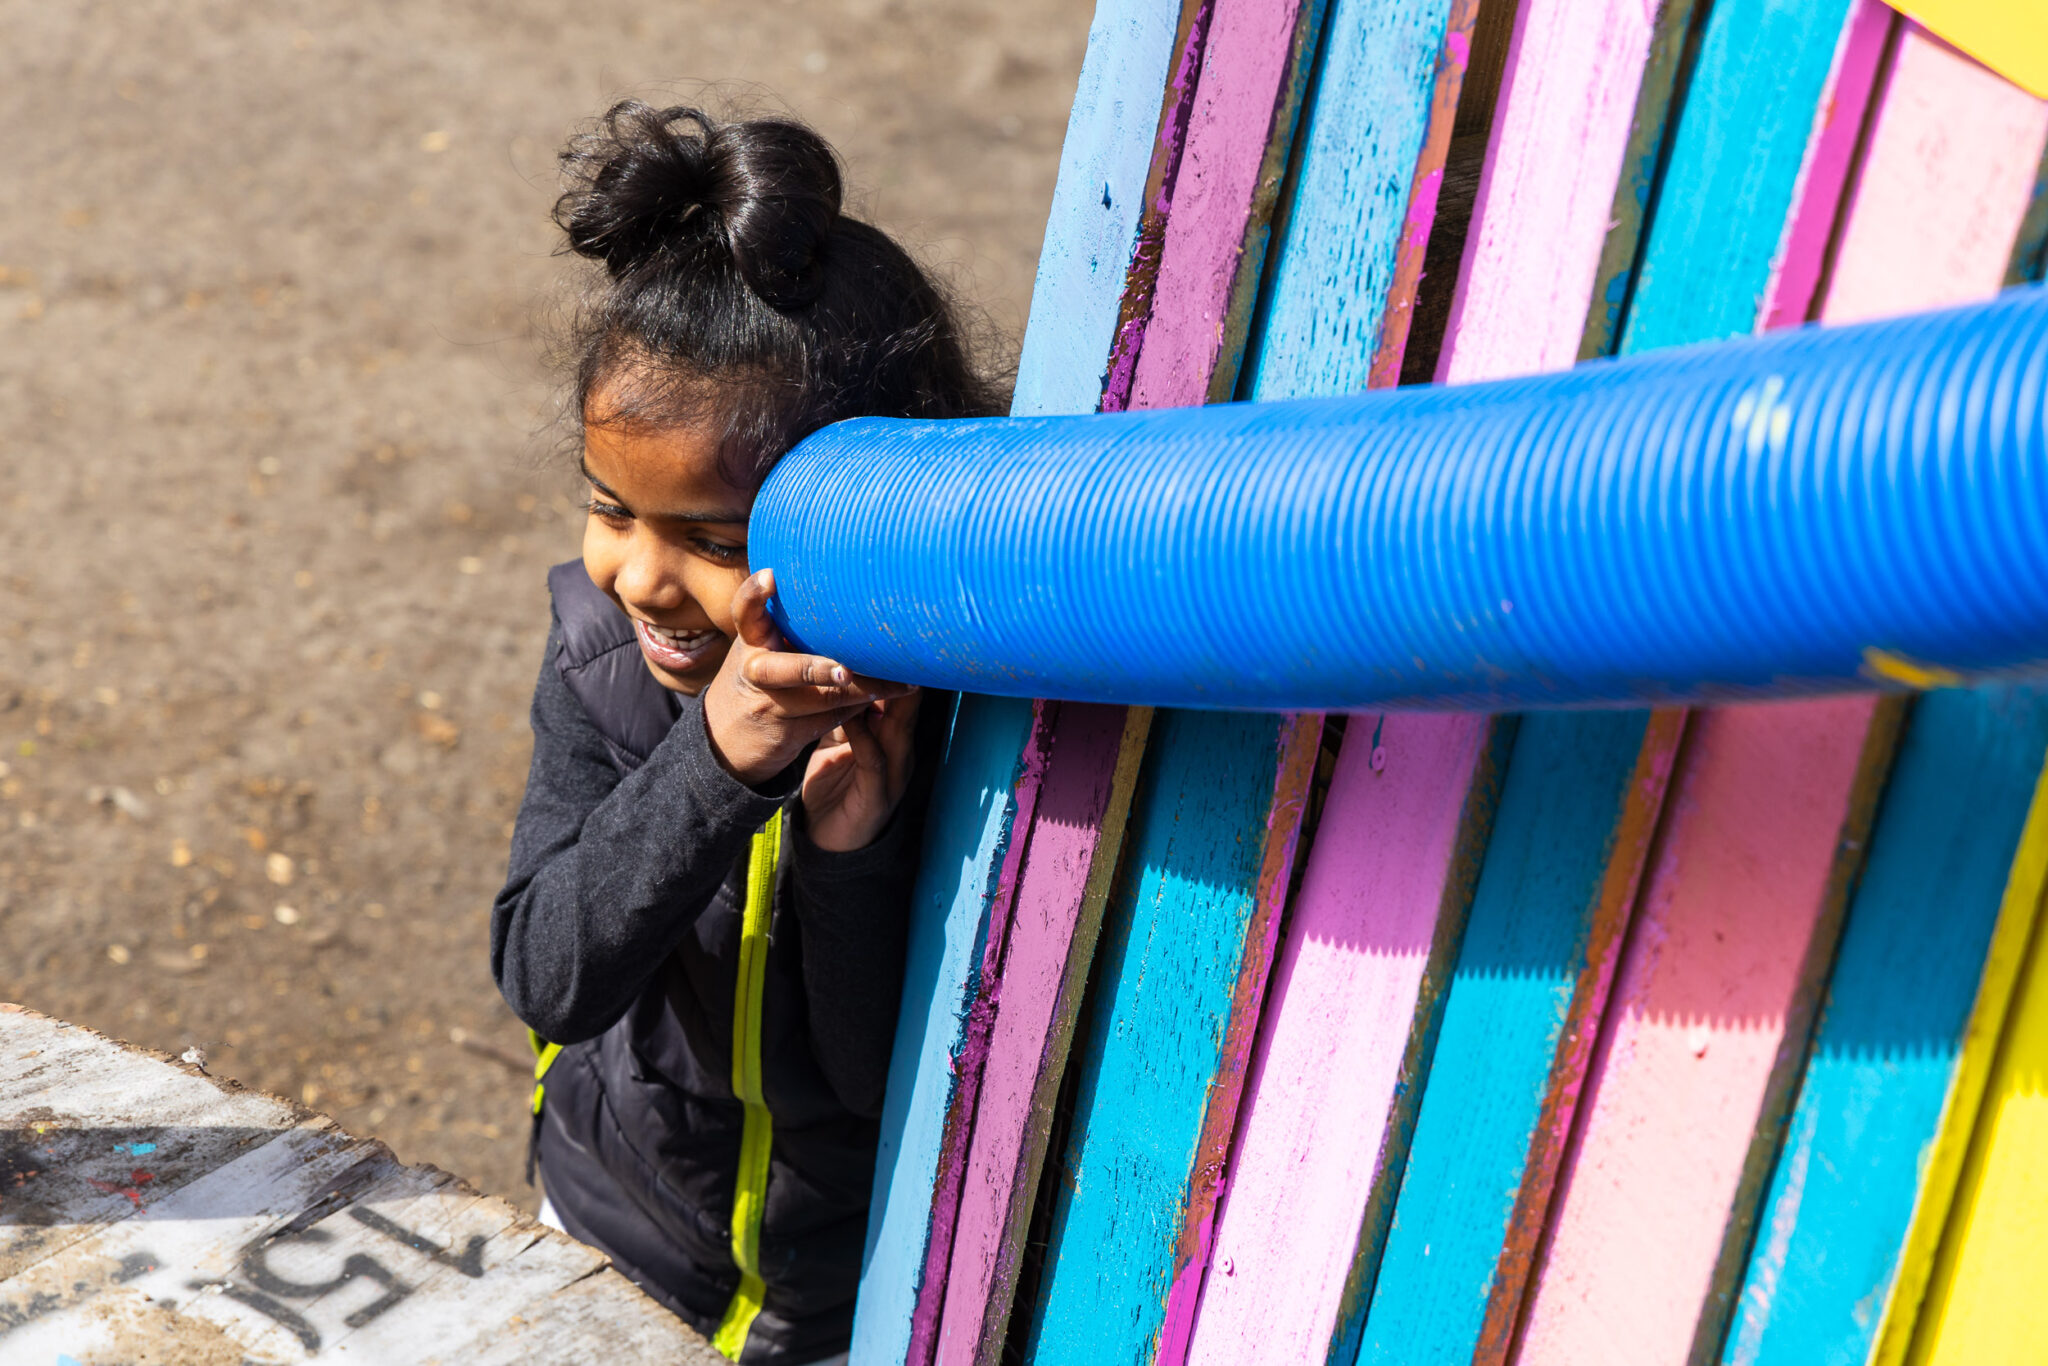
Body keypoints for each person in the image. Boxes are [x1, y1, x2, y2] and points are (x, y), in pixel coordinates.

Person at [491, 101, 1003, 1365]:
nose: (644, 579)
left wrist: (851, 852)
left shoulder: (944, 727)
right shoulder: (602, 664)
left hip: (832, 1295)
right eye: (613, 510)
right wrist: (710, 761)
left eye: (716, 544)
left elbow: (880, 1080)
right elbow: (546, 973)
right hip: (614, 1224)